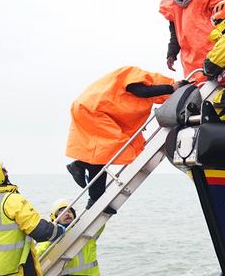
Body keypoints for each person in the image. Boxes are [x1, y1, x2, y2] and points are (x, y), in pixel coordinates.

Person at [65, 67, 177, 208]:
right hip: (92, 110)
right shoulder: (137, 74)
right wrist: (171, 88)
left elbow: (126, 102)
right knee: (105, 153)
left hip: (88, 108)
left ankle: (94, 198)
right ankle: (81, 167)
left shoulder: (128, 78)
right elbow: (141, 91)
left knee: (100, 156)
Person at [159, 0, 225, 77]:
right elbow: (174, 35)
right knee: (197, 91)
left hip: (215, 54)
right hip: (190, 63)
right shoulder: (172, 6)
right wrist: (171, 54)